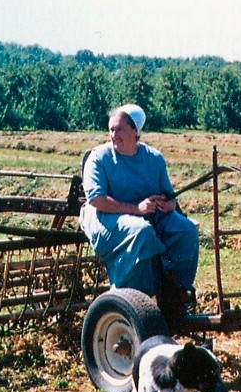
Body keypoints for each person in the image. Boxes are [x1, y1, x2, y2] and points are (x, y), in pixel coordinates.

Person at [80, 104, 199, 316]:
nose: (114, 135)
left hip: (147, 214)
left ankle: (174, 290)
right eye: (111, 130)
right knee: (141, 231)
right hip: (106, 216)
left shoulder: (153, 158)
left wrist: (165, 204)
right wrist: (137, 208)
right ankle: (134, 301)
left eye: (120, 130)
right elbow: (96, 200)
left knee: (186, 230)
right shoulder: (99, 158)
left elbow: (170, 198)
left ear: (136, 131)